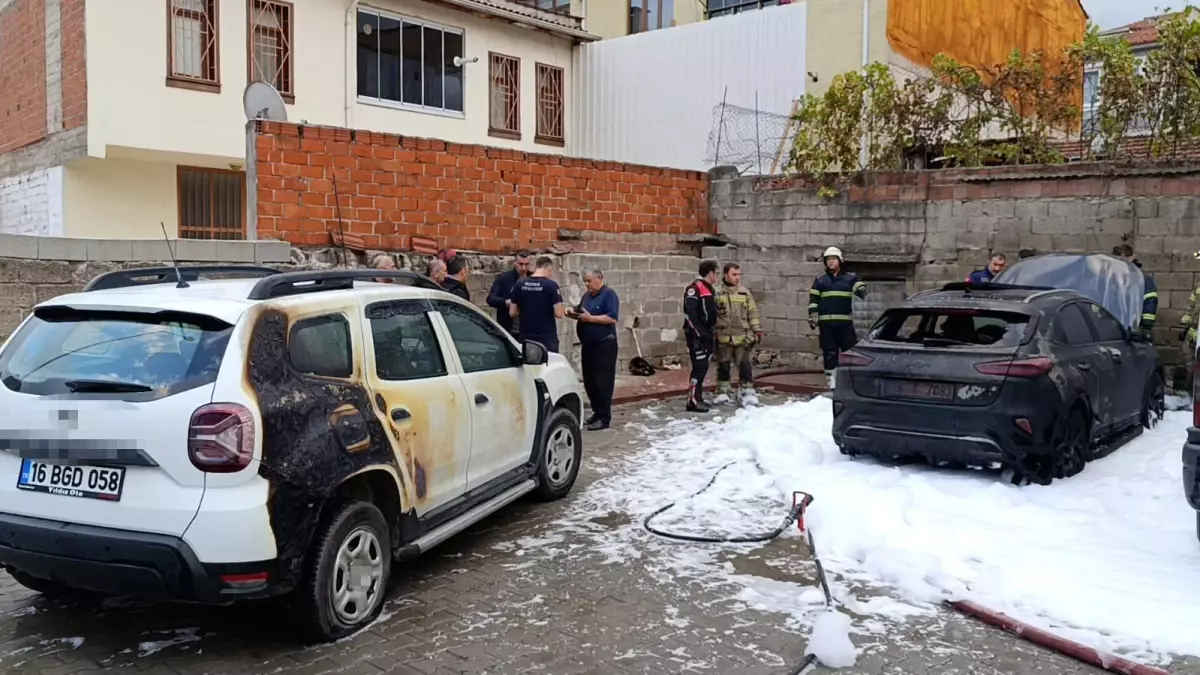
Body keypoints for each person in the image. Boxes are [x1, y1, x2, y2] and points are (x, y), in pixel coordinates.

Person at [809, 246, 867, 391]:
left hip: (844, 324)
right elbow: (813, 300)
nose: (831, 262)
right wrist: (812, 315)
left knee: (849, 353)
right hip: (826, 325)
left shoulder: (850, 278)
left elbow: (859, 287)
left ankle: (850, 382)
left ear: (840, 261)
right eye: (828, 260)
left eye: (833, 259)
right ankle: (831, 383)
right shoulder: (820, 281)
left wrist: (861, 289)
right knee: (830, 353)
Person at [567, 269, 620, 431]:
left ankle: (604, 417)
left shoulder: (609, 295)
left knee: (602, 382)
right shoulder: (587, 296)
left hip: (604, 345)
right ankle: (596, 413)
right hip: (588, 346)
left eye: (589, 281)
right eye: (585, 281)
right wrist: (572, 312)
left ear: (600, 278)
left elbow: (612, 317)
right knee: (590, 382)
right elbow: (581, 309)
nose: (587, 284)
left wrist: (590, 319)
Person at [713, 263, 763, 407]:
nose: (737, 278)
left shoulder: (744, 293)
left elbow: (752, 313)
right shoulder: (717, 293)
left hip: (742, 336)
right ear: (725, 275)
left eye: (739, 275)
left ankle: (747, 391)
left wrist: (757, 330)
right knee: (723, 365)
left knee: (745, 365)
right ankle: (723, 391)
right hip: (724, 336)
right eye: (734, 275)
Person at [683, 260, 720, 413]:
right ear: (710, 273)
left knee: (703, 366)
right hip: (697, 335)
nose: (717, 276)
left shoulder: (708, 288)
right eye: (716, 273)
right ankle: (692, 400)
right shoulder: (695, 288)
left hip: (707, 333)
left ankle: (698, 397)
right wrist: (700, 334)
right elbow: (690, 314)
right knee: (700, 367)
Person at [508, 256, 565, 353]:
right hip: (547, 339)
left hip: (526, 338)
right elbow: (559, 314)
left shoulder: (520, 283)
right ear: (549, 269)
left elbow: (512, 313)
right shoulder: (551, 285)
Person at [488, 251, 533, 337]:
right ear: (514, 263)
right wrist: (507, 302)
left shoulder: (534, 279)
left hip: (529, 331)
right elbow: (490, 299)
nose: (523, 268)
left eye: (526, 264)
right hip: (508, 330)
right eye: (520, 264)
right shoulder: (505, 278)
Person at [1112, 244, 1157, 333]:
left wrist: (1146, 326)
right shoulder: (1113, 278)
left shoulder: (1142, 279)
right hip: (1115, 326)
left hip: (1135, 328)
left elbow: (1150, 300)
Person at [1179, 286, 1199, 394]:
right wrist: (1184, 326)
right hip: (1193, 332)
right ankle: (1190, 388)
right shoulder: (1198, 286)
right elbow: (1190, 307)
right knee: (1187, 358)